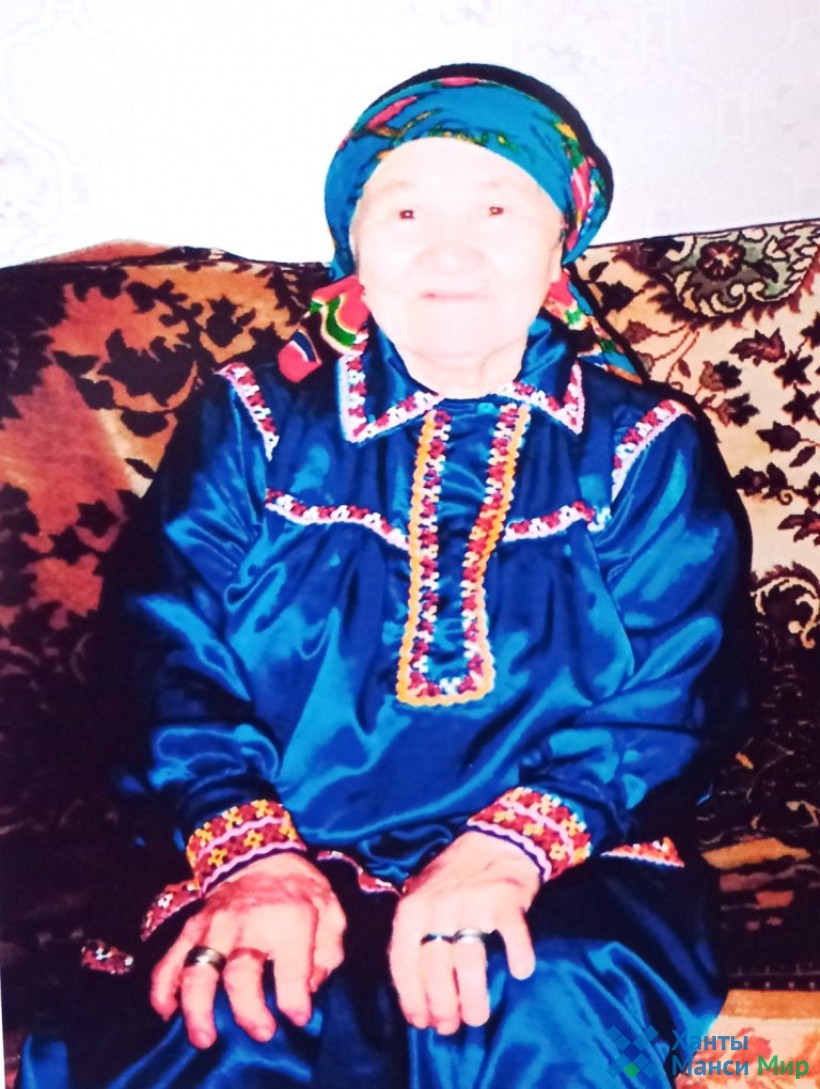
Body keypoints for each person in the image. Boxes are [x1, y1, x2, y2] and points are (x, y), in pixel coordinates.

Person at [20, 62, 749, 1088]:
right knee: (233, 1014)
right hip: (270, 843)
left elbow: (679, 690)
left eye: (497, 208)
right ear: (352, 245)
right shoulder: (254, 422)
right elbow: (159, 653)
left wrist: (506, 855)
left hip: (564, 858)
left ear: (560, 244)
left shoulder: (645, 445)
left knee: (537, 999)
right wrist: (254, 861)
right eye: (405, 210)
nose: (449, 248)